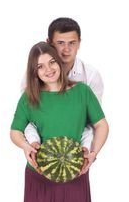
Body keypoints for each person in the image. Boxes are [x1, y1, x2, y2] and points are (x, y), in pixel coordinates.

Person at [8, 41, 109, 202]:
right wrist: (27, 146)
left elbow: (101, 125)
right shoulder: (30, 98)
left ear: (59, 61)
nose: (48, 69)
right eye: (40, 67)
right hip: (39, 174)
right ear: (34, 72)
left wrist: (93, 154)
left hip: (75, 172)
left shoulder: (83, 92)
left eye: (51, 62)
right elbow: (15, 131)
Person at [22, 18, 104, 173]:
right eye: (60, 43)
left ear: (79, 43)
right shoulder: (31, 77)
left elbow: (92, 122)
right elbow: (29, 120)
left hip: (75, 160)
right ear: (49, 43)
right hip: (42, 159)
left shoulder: (91, 77)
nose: (66, 49)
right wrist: (32, 145)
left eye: (72, 43)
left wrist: (88, 151)